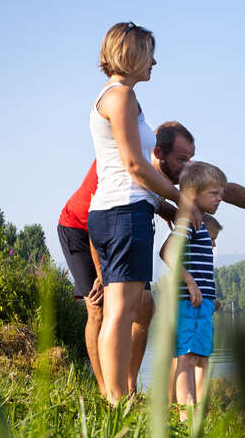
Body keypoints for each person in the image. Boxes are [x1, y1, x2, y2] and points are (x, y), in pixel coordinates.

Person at [58, 121, 245, 398]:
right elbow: (97, 215)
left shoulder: (176, 169)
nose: (187, 166)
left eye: (190, 158)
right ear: (158, 153)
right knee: (100, 307)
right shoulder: (122, 159)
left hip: (129, 223)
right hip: (81, 226)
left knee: (144, 307)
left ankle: (129, 388)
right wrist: (102, 273)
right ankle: (105, 391)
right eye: (181, 159)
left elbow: (226, 190)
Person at [85, 21, 198, 405]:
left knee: (123, 309)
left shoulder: (113, 97)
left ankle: (115, 395)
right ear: (131, 55)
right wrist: (180, 199)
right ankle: (117, 398)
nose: (155, 61)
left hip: (111, 212)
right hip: (124, 213)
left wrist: (162, 204)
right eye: (149, 52)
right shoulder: (121, 98)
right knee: (121, 310)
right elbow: (135, 166)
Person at [160, 162, 226, 420]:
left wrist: (211, 299)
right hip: (188, 303)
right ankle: (185, 414)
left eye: (221, 193)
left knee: (202, 359)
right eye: (214, 193)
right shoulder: (188, 222)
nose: (220, 198)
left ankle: (199, 411)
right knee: (187, 358)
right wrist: (188, 281)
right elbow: (167, 253)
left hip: (203, 304)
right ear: (192, 194)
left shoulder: (199, 224)